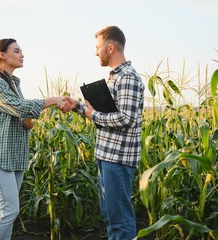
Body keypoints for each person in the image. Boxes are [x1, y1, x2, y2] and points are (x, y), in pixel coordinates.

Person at [0, 38, 69, 240]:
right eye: (17, 50)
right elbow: (19, 107)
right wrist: (54, 100)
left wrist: (25, 123)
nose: (22, 54)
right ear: (1, 55)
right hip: (0, 154)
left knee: (9, 213)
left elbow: (17, 114)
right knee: (9, 211)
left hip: (15, 155)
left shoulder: (14, 84)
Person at [65, 26, 144, 240]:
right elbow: (102, 112)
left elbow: (126, 118)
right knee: (111, 216)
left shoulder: (127, 77)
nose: (95, 52)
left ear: (110, 47)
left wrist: (92, 116)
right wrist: (77, 106)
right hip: (107, 155)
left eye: (98, 47)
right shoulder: (114, 77)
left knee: (119, 219)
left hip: (118, 158)